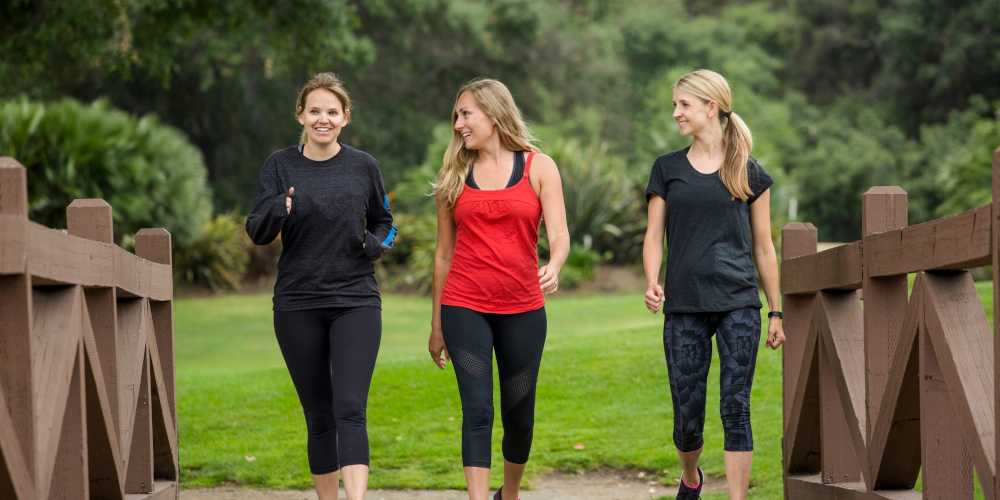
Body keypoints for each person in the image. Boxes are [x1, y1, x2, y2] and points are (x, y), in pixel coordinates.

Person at [245, 72, 396, 500]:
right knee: (319, 416)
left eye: (332, 111)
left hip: (355, 300)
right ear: (300, 115)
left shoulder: (365, 166)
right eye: (314, 111)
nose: (322, 119)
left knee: (350, 408)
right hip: (297, 304)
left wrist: (375, 243)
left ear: (345, 117)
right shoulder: (279, 166)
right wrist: (279, 207)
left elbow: (386, 223)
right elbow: (256, 230)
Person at [642, 69, 785, 500]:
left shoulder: (749, 172)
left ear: (711, 108)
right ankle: (691, 477)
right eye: (674, 105)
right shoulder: (667, 168)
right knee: (688, 417)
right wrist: (652, 280)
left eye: (683, 105)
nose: (675, 113)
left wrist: (775, 311)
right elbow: (654, 236)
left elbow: (764, 248)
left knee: (735, 407)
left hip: (738, 303)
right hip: (684, 305)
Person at [427, 78, 571, 500]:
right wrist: (436, 326)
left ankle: (508, 494)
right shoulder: (452, 174)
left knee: (519, 417)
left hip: (523, 308)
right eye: (456, 116)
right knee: (477, 409)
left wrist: (554, 265)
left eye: (465, 114)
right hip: (463, 305)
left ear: (493, 114)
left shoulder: (538, 167)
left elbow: (559, 234)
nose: (458, 124)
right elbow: (443, 254)